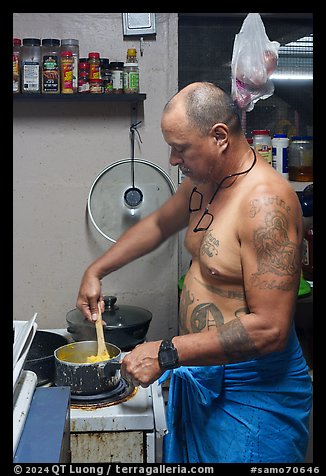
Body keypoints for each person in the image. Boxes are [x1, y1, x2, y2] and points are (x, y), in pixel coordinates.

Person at [76, 82, 312, 463]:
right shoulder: (204, 183)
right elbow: (156, 226)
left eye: (180, 148)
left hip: (252, 392)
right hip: (203, 375)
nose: (172, 159)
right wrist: (96, 269)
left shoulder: (266, 205)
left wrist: (167, 352)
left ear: (219, 136)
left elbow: (270, 327)